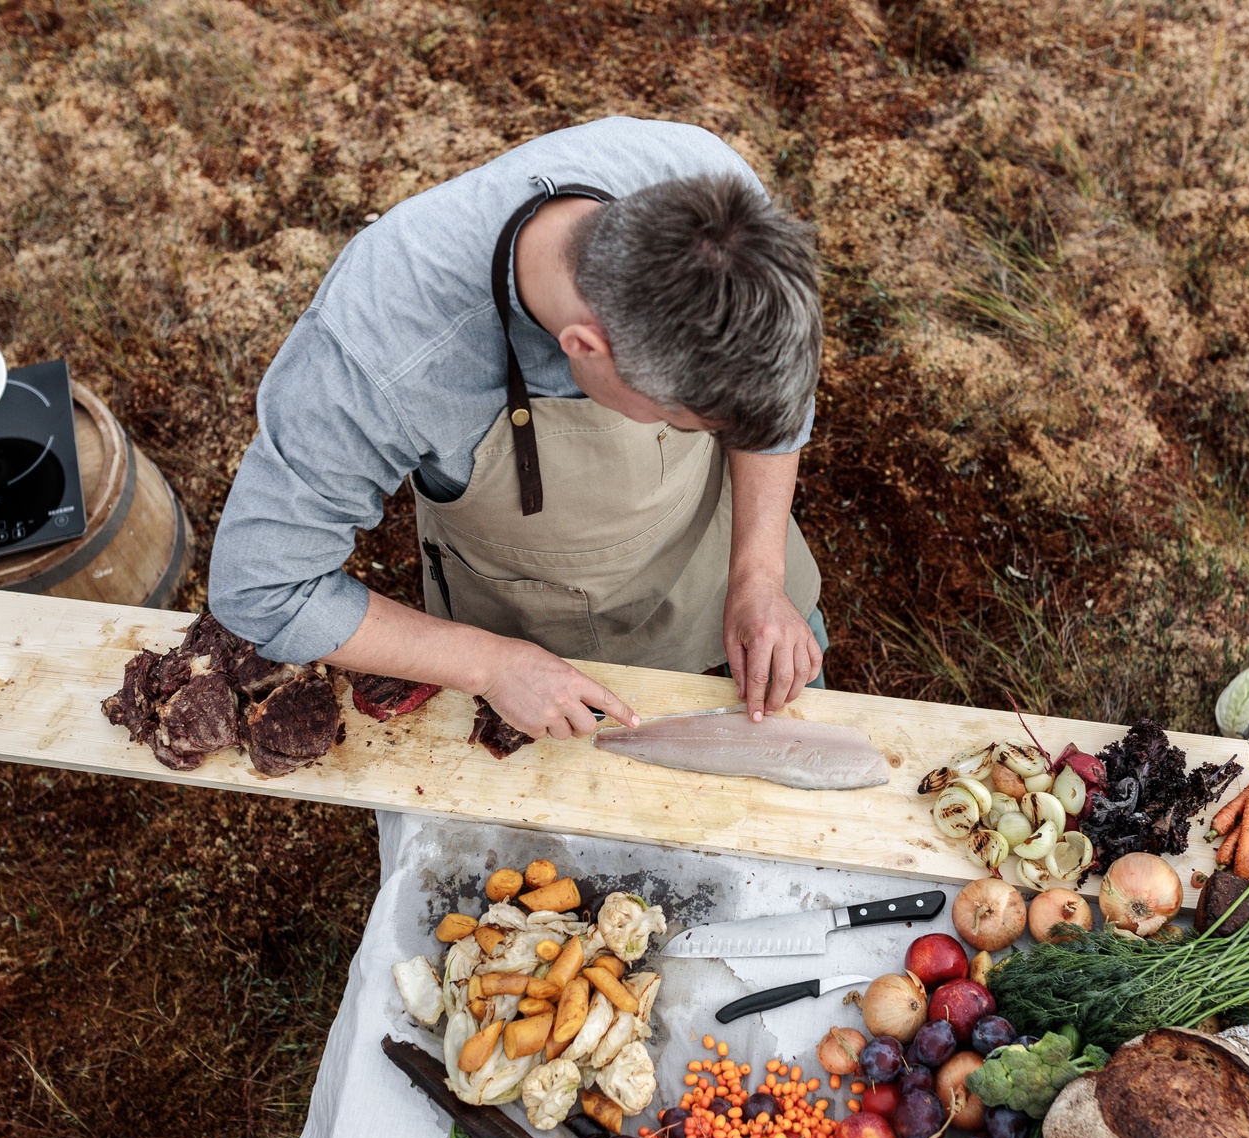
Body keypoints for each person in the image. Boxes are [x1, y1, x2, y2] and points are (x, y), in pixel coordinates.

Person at [209, 117, 827, 741]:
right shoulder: (380, 350)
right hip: (527, 637)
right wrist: (491, 665)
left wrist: (758, 577)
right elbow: (263, 585)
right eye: (676, 419)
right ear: (583, 347)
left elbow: (776, 395)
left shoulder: (713, 195)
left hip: (712, 566)